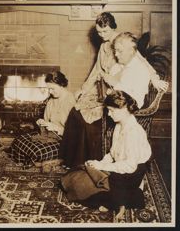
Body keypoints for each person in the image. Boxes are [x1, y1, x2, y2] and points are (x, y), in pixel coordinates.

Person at [59, 15, 169, 168]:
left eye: (105, 32)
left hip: (119, 94)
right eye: (99, 32)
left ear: (113, 28)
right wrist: (83, 90)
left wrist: (154, 78)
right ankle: (69, 159)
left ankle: (85, 162)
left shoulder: (124, 44)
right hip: (108, 88)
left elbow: (142, 62)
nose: (102, 36)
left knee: (86, 119)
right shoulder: (105, 47)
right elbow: (96, 71)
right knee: (76, 110)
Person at [61, 90, 152, 218]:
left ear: (125, 108)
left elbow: (130, 166)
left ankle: (133, 196)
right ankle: (122, 198)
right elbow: (113, 153)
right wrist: (100, 163)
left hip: (133, 171)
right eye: (108, 110)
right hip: (121, 167)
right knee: (76, 178)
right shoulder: (119, 125)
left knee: (87, 194)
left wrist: (101, 167)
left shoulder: (134, 132)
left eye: (112, 110)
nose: (109, 114)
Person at [9, 71, 76, 169]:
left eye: (52, 88)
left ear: (61, 85)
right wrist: (43, 123)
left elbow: (75, 134)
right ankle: (32, 161)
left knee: (37, 151)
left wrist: (56, 128)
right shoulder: (51, 100)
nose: (49, 92)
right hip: (49, 135)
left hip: (64, 140)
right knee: (18, 140)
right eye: (48, 89)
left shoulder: (71, 102)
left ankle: (34, 161)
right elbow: (47, 121)